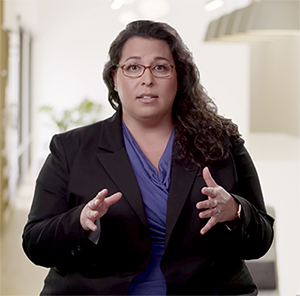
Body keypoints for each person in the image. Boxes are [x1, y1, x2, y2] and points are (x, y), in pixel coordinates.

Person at [22, 20, 274, 296]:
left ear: (179, 79)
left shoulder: (223, 144)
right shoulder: (70, 149)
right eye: (132, 67)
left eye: (160, 67)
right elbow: (35, 243)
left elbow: (260, 241)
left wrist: (236, 213)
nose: (147, 79)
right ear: (114, 79)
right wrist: (79, 223)